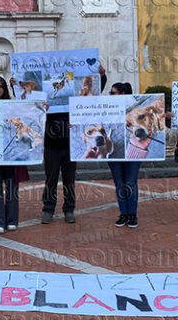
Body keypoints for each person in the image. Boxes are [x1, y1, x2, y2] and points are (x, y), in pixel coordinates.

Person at [35, 65, 107, 225]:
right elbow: (25, 100)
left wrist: (102, 76)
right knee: (50, 179)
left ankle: (69, 209)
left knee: (69, 180)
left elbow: (94, 92)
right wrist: (14, 86)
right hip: (51, 144)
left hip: (70, 145)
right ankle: (48, 209)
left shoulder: (75, 101)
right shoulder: (44, 103)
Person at [0, 77, 29, 234]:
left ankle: (11, 220)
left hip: (11, 152)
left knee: (12, 186)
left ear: (5, 89)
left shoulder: (13, 107)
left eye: (1, 87)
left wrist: (41, 107)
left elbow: (28, 111)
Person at [108, 82, 141, 228]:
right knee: (119, 183)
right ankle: (124, 213)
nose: (110, 95)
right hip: (115, 149)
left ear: (122, 94)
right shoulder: (107, 106)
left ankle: (132, 214)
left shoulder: (135, 105)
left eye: (113, 93)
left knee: (131, 182)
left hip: (132, 148)